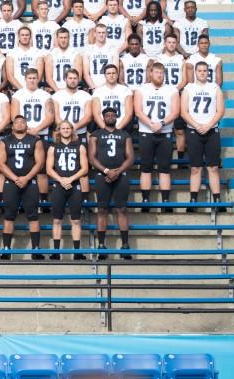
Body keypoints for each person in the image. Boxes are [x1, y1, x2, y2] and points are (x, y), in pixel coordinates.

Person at [88, 108, 135, 261]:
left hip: (121, 175)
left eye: (112, 115)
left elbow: (130, 157)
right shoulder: (96, 135)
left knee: (122, 209)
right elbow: (92, 157)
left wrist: (118, 171)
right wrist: (107, 171)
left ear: (116, 117)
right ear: (102, 117)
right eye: (107, 115)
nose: (109, 117)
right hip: (102, 175)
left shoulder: (124, 134)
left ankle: (125, 245)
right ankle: (101, 245)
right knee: (102, 209)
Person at [0, 115, 45, 260]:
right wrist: (15, 178)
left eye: (22, 122)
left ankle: (36, 249)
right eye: (16, 122)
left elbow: (39, 162)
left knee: (33, 216)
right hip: (12, 182)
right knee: (9, 216)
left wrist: (26, 178)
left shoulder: (35, 140)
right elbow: (0, 163)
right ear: (12, 126)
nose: (19, 124)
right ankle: (6, 249)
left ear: (26, 124)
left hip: (29, 182)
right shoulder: (5, 141)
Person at [134, 62, 181, 211]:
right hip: (146, 132)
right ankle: (146, 200)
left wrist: (161, 123)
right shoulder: (141, 90)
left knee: (164, 168)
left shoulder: (172, 90)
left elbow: (175, 112)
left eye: (161, 73)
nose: (159, 75)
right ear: (151, 73)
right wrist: (151, 124)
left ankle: (165, 201)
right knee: (146, 168)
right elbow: (138, 111)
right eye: (156, 72)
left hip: (165, 132)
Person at [182, 62, 225, 208]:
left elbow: (220, 111)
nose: (202, 73)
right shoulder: (189, 88)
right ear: (195, 72)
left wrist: (208, 125)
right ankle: (193, 200)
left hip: (211, 131)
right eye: (199, 70)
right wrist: (197, 125)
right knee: (195, 168)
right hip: (194, 131)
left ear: (208, 72)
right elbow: (183, 112)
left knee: (213, 167)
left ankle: (217, 200)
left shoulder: (215, 88)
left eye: (204, 71)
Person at [46, 121, 88, 261]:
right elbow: (49, 169)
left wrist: (70, 179)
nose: (65, 130)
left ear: (72, 130)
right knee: (57, 220)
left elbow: (84, 168)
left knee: (76, 220)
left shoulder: (80, 146)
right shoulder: (53, 147)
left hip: (74, 185)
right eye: (63, 128)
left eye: (68, 128)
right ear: (59, 130)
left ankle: (77, 252)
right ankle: (56, 252)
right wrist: (61, 180)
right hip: (59, 186)